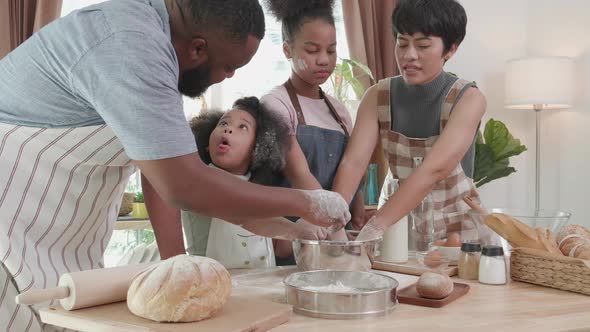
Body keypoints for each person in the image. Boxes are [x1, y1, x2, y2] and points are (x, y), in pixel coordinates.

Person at [0, 1, 350, 330]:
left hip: (61, 243)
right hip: (10, 236)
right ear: (197, 48)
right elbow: (183, 185)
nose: (228, 77)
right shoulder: (132, 46)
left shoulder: (152, 39)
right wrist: (305, 203)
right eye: (229, 66)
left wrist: (177, 265)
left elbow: (164, 179)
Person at [332, 0, 487, 242]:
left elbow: (434, 170)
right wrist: (334, 223)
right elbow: (353, 163)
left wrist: (375, 227)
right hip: (397, 227)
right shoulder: (377, 96)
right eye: (402, 43)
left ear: (451, 50)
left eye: (423, 45)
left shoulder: (468, 99)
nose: (409, 55)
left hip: (457, 232)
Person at [260, 0, 366, 265]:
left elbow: (352, 171)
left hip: (336, 237)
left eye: (331, 51)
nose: (323, 60)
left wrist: (358, 219)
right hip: (294, 241)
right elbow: (299, 174)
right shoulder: (275, 104)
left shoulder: (340, 112)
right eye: (312, 50)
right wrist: (336, 233)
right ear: (287, 49)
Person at [182, 96, 326, 268]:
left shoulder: (256, 190)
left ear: (258, 148)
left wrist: (304, 231)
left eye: (242, 127)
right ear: (207, 144)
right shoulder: (200, 180)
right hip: (210, 284)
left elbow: (278, 248)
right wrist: (297, 222)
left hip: (256, 287)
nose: (228, 130)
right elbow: (242, 212)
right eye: (223, 124)